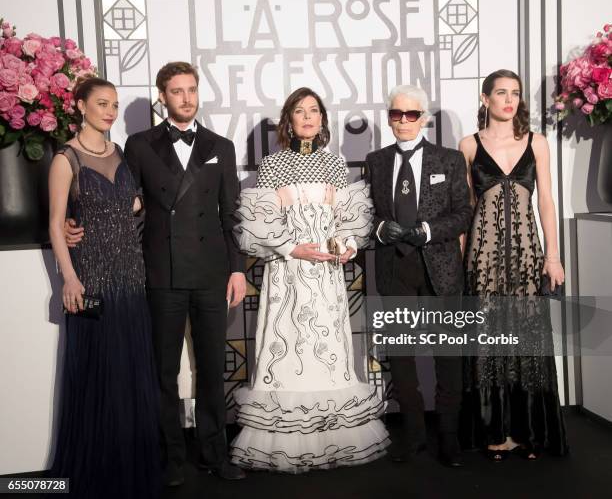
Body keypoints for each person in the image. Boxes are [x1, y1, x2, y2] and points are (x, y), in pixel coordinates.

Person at [64, 62, 247, 485]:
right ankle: (172, 458)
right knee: (163, 371)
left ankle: (215, 453)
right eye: (176, 91)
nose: (186, 99)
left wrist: (237, 270)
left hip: (211, 273)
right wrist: (78, 223)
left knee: (212, 367)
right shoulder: (140, 144)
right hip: (161, 273)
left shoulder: (221, 145)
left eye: (191, 90)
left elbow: (229, 214)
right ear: (162, 97)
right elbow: (125, 202)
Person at [230, 87, 390, 473]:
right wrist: (291, 249)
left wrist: (348, 244)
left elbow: (349, 218)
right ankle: (282, 444)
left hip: (327, 276)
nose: (307, 117)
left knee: (327, 348)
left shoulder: (335, 164)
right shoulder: (271, 165)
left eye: (314, 111)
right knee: (286, 346)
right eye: (299, 111)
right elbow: (259, 224)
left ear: (322, 120)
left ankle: (334, 441)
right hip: (287, 273)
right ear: (289, 120)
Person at [48, 76, 160, 498]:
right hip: (91, 280)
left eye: (114, 104)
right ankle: (95, 474)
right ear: (80, 106)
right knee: (98, 375)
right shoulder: (66, 160)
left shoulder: (121, 155)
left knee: (130, 375)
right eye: (101, 103)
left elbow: (134, 206)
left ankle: (128, 470)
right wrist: (69, 277)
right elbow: (56, 225)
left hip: (131, 278)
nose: (110, 111)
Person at [458, 69, 568, 461]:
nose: (510, 100)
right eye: (501, 93)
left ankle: (530, 433)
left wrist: (552, 256)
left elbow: (546, 202)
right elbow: (466, 209)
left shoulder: (537, 142)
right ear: (485, 98)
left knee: (527, 337)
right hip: (482, 257)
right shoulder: (468, 145)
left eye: (516, 93)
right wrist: (459, 263)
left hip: (525, 254)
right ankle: (496, 431)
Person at [365, 85, 472, 467]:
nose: (404, 121)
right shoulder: (375, 161)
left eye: (412, 115)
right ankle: (412, 437)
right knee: (401, 356)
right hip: (395, 268)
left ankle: (448, 438)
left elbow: (463, 213)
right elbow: (367, 213)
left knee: (448, 355)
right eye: (397, 114)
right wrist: (380, 229)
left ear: (424, 118)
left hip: (440, 268)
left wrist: (427, 231)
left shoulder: (451, 159)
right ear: (389, 116)